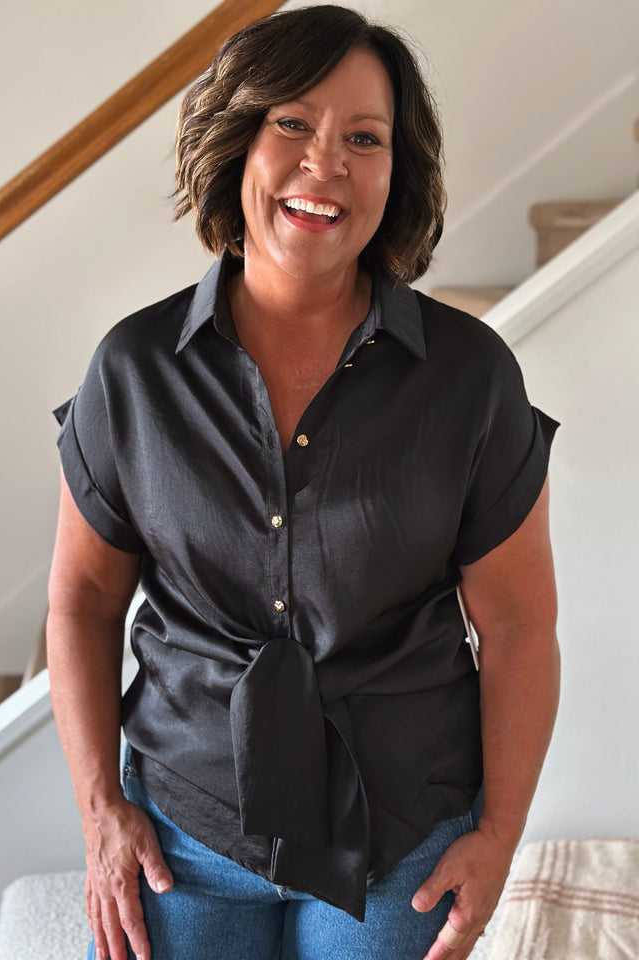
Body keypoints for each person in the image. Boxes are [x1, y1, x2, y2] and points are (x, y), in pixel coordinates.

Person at [46, 6, 560, 960]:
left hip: (402, 831)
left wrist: (499, 837)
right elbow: (80, 601)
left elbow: (522, 624)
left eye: (364, 139)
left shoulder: (471, 376)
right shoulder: (134, 370)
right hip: (185, 830)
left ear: (395, 173)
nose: (327, 165)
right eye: (293, 123)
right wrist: (100, 812)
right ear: (236, 139)